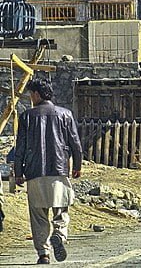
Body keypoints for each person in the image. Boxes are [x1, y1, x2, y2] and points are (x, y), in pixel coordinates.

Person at [14, 78, 82, 264]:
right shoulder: (65, 114)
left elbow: (20, 147)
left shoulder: (26, 116)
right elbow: (75, 144)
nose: (30, 97)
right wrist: (77, 166)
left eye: (31, 94)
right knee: (61, 210)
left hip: (34, 173)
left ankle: (43, 254)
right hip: (59, 171)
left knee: (38, 216)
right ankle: (59, 235)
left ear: (36, 94)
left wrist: (18, 172)